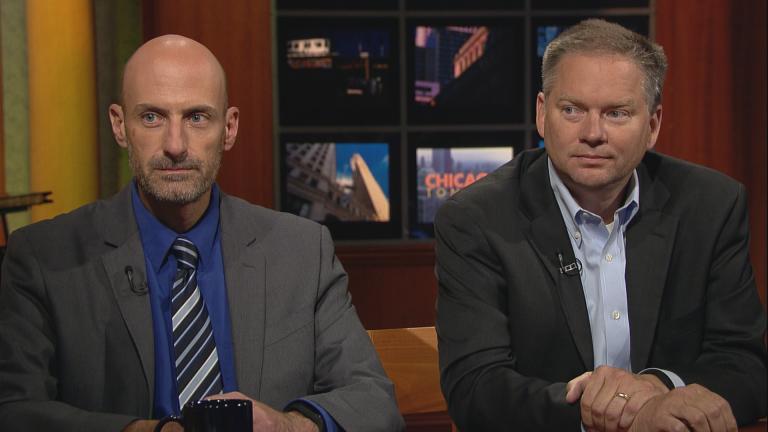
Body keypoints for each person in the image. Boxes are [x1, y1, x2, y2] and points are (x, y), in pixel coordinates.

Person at [0, 35, 404, 432]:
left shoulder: (302, 251)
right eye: (152, 117)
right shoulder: (41, 259)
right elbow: (14, 411)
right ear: (120, 126)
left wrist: (288, 426)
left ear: (229, 129)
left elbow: (373, 403)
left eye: (197, 117)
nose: (175, 145)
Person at [435, 19, 766, 432]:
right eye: (571, 110)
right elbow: (476, 389)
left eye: (616, 113)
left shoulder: (711, 206)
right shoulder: (478, 219)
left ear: (653, 124)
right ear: (542, 114)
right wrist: (616, 414)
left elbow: (745, 364)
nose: (593, 133)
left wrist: (660, 387)